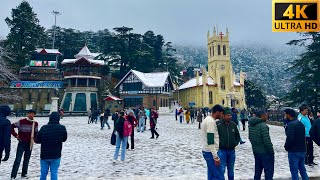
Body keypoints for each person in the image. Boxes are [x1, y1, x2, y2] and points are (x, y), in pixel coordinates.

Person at [36, 112, 67, 180]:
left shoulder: (44, 128)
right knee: (54, 172)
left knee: (43, 173)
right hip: (56, 154)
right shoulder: (62, 128)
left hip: (45, 154)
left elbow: (37, 140)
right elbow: (64, 139)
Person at [10, 109, 39, 179]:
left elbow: (36, 133)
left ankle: (24, 173)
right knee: (18, 159)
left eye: (32, 113)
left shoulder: (35, 123)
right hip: (22, 142)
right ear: (27, 114)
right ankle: (13, 175)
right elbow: (11, 127)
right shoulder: (21, 122)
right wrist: (16, 135)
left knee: (27, 159)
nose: (31, 115)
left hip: (30, 143)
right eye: (29, 113)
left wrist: (35, 139)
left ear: (34, 115)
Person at [248, 110, 274, 180]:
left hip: (256, 152)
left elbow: (250, 138)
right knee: (268, 172)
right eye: (266, 115)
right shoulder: (263, 126)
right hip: (265, 153)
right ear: (262, 116)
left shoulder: (251, 125)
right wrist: (271, 151)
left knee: (257, 172)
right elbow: (267, 141)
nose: (267, 116)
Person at [216, 107, 240, 180]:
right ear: (223, 116)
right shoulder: (218, 124)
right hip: (222, 151)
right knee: (221, 170)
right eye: (228, 115)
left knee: (231, 170)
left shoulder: (233, 125)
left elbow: (237, 137)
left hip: (231, 151)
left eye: (230, 115)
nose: (229, 117)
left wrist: (234, 143)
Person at [284, 108, 308, 180]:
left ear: (288, 115)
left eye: (285, 115)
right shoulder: (300, 124)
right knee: (302, 170)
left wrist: (286, 146)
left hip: (294, 151)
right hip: (302, 150)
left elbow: (290, 138)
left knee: (294, 171)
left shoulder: (291, 125)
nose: (284, 116)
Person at [202, 104, 224, 180]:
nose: (222, 116)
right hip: (210, 152)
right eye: (222, 113)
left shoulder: (207, 119)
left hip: (207, 151)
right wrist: (216, 157)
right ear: (217, 112)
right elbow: (210, 140)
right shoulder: (211, 122)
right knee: (219, 176)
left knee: (211, 175)